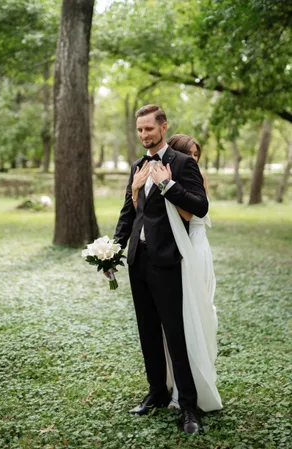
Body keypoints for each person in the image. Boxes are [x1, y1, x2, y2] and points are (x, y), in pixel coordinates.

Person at [113, 104, 208, 434]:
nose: (143, 135)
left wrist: (168, 185)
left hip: (168, 261)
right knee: (148, 331)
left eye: (149, 129)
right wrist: (114, 249)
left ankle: (188, 407)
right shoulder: (137, 165)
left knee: (175, 335)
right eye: (139, 130)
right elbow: (129, 212)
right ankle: (156, 391)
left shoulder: (182, 164)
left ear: (163, 127)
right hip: (138, 260)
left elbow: (199, 206)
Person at [162, 133, 223, 412]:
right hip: (179, 250)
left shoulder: (196, 179)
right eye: (190, 155)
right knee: (182, 319)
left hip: (196, 251)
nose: (194, 161)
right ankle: (178, 386)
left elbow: (189, 214)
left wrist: (166, 185)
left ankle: (198, 386)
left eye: (196, 155)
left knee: (198, 314)